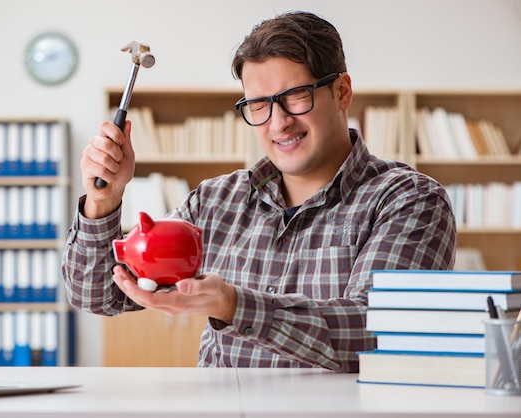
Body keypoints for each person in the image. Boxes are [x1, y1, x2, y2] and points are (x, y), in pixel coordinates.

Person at [62, 11, 456, 372]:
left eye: (295, 96)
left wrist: (234, 306)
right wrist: (103, 201)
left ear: (342, 92)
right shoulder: (217, 201)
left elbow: (376, 332)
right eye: (258, 104)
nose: (278, 123)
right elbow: (98, 295)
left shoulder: (410, 200)